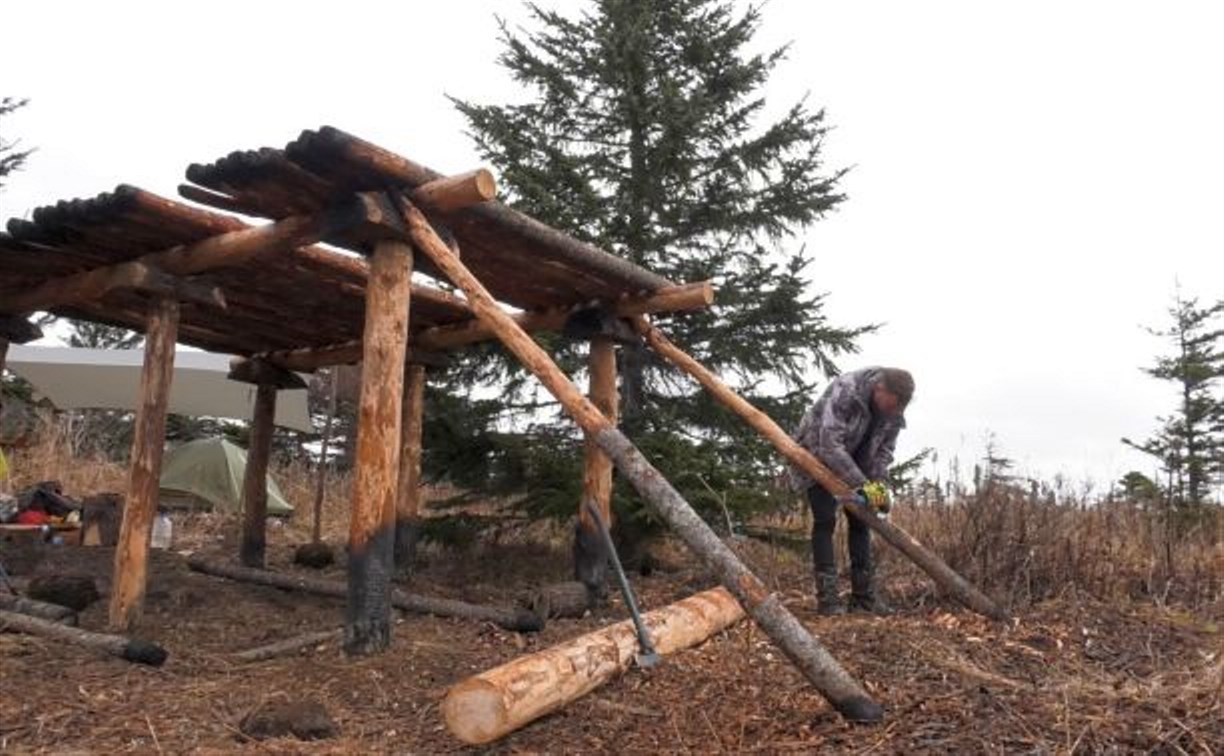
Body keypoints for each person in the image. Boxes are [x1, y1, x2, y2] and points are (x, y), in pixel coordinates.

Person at [789, 367, 914, 615]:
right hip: (817, 455)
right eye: (889, 407)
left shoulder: (893, 413)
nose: (892, 413)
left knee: (861, 522)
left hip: (856, 460)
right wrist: (862, 484)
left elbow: (883, 452)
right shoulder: (846, 389)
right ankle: (828, 601)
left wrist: (877, 487)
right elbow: (830, 444)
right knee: (825, 520)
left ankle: (863, 598)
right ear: (879, 389)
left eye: (896, 409)